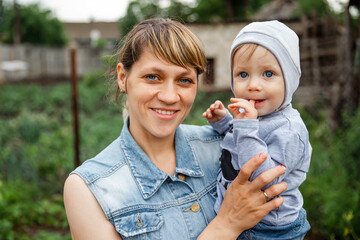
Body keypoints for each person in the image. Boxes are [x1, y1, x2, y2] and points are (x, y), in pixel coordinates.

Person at [63, 18, 288, 240]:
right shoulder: (88, 190)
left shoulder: (225, 145)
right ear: (123, 78)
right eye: (153, 77)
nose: (170, 96)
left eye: (184, 80)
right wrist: (226, 225)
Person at [203, 20, 312, 239]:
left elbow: (265, 180)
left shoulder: (289, 129)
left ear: (289, 79)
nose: (253, 85)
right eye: (243, 74)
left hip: (270, 229)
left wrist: (245, 125)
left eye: (268, 74)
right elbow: (239, 142)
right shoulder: (253, 116)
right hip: (239, 219)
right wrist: (225, 122)